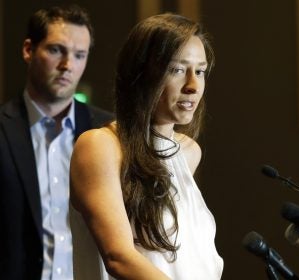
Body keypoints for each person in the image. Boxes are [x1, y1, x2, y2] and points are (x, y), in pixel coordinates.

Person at [70, 12, 223, 280]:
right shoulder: (100, 146)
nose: (193, 85)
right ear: (142, 73)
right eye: (177, 70)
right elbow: (119, 257)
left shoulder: (188, 152)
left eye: (200, 71)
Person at [0, 5, 113, 280]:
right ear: (29, 50)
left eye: (79, 55)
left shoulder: (110, 132)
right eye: (56, 50)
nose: (68, 65)